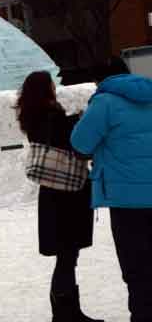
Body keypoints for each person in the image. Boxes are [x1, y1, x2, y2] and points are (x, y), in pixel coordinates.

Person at [16, 70, 102, 322]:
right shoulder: (50, 116)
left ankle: (67, 311)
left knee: (67, 255)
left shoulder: (32, 116)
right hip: (67, 194)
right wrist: (78, 120)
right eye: (51, 85)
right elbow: (69, 141)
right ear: (45, 89)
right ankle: (67, 313)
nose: (55, 88)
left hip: (53, 193)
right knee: (67, 255)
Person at [72, 56, 152, 322]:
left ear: (102, 80)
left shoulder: (104, 101)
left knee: (137, 267)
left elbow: (81, 143)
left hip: (126, 201)